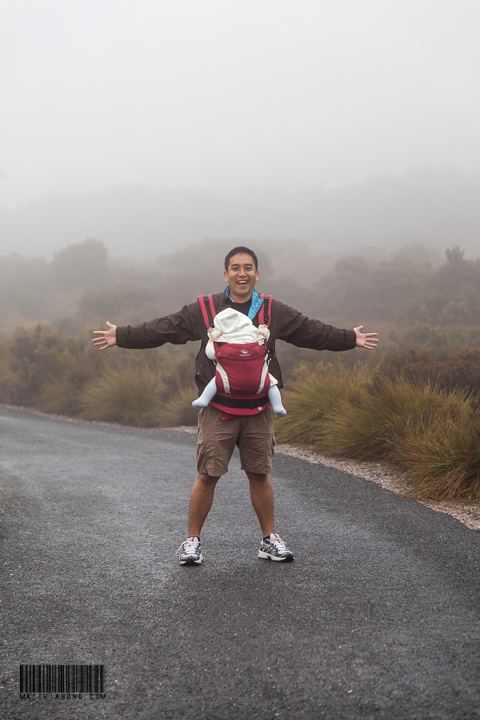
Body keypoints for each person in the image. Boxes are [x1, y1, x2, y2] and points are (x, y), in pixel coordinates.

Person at [92, 246, 378, 566]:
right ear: (225, 274)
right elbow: (164, 328)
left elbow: (311, 331)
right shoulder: (204, 308)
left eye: (248, 268)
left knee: (260, 474)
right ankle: (192, 542)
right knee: (208, 475)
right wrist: (123, 335)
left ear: (257, 274)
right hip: (219, 408)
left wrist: (349, 338)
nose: (242, 273)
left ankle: (269, 540)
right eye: (235, 268)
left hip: (259, 409)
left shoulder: (273, 310)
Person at [192, 305, 287, 416]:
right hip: (257, 376)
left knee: (216, 381)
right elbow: (265, 337)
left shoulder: (223, 339)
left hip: (228, 378)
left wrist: (211, 339)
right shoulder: (253, 332)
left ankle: (203, 399)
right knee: (271, 383)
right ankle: (278, 406)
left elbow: (210, 354)